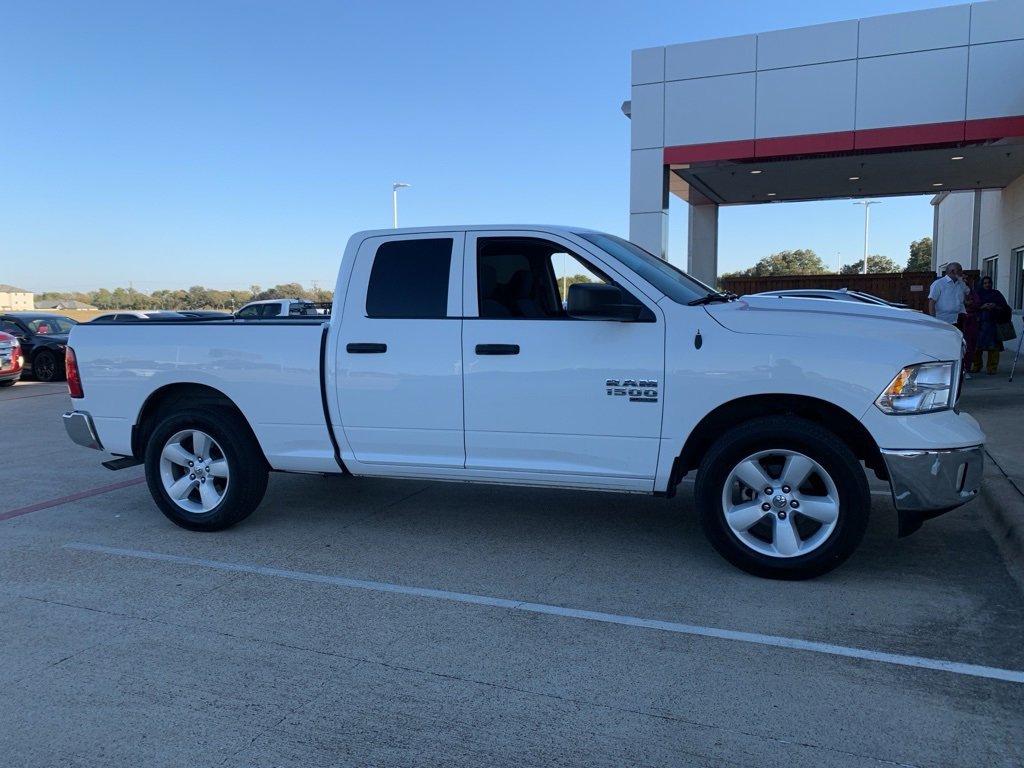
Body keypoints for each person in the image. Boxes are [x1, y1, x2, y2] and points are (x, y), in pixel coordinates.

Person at [928, 262, 972, 375]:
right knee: (943, 344)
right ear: (952, 271)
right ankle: (942, 370)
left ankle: (960, 369)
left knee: (959, 345)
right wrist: (933, 320)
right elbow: (932, 302)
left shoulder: (960, 284)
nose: (962, 273)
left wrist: (965, 282)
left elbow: (969, 295)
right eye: (960, 270)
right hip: (943, 319)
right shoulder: (939, 284)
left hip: (958, 317)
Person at [972, 275, 1011, 375]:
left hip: (993, 324)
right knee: (977, 347)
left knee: (993, 347)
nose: (987, 285)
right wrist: (982, 307)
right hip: (979, 324)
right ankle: (977, 366)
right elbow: (972, 307)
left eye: (989, 283)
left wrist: (995, 306)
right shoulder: (977, 294)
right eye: (985, 283)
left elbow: (1005, 308)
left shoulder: (996, 294)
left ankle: (992, 367)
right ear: (981, 284)